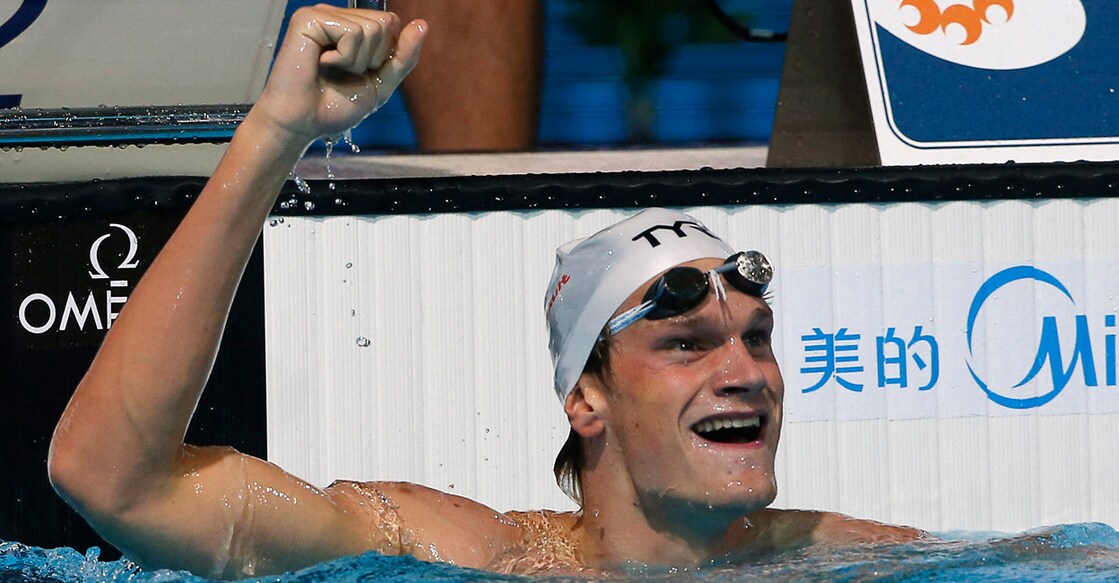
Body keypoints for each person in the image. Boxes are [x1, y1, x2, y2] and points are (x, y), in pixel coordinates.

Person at [47, 5, 925, 579]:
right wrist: (275, 136)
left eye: (755, 337)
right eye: (686, 342)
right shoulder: (451, 555)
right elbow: (114, 482)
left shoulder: (850, 561)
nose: (746, 371)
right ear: (587, 399)